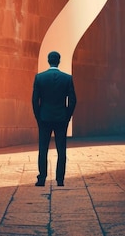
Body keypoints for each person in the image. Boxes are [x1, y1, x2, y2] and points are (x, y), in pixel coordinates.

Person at [32, 51, 77, 187]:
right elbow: (73, 100)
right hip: (61, 118)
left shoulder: (40, 78)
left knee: (43, 149)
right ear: (59, 61)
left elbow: (35, 100)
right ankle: (60, 179)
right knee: (61, 149)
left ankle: (42, 179)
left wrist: (38, 117)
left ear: (48, 60)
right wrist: (67, 116)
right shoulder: (67, 78)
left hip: (44, 118)